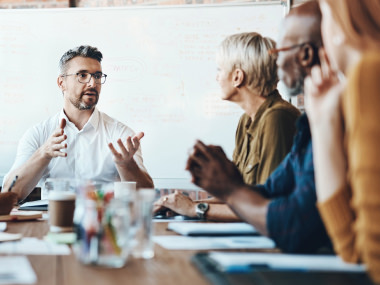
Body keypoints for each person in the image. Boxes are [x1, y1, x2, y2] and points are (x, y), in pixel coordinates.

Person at [184, 1, 331, 254]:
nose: (276, 62)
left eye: (280, 50)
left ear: (238, 76)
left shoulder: (281, 118)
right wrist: (207, 195)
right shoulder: (308, 122)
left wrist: (200, 207)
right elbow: (265, 190)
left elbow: (275, 209)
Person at [154, 32, 300, 221]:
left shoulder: (277, 118)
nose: (217, 78)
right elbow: (238, 195)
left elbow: (264, 205)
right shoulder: (246, 121)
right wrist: (180, 205)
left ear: (237, 77)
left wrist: (195, 209)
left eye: (219, 70)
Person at [2, 45, 153, 200]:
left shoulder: (121, 136)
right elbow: (11, 192)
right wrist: (44, 153)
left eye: (97, 76)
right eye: (82, 75)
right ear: (61, 83)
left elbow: (147, 195)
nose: (92, 83)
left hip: (102, 221)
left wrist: (127, 165)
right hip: (53, 222)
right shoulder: (39, 134)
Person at [304, 0, 380, 282]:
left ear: (341, 23)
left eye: (324, 15)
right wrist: (323, 121)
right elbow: (353, 251)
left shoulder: (371, 73)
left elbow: (369, 256)